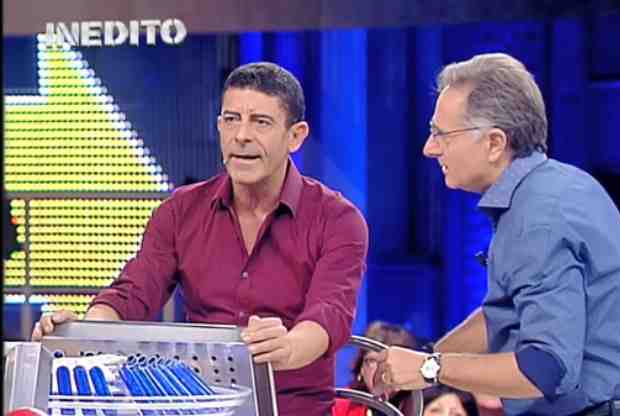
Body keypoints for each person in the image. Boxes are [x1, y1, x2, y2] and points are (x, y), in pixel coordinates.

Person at [31, 62, 370, 416]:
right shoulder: (181, 210)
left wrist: (288, 347)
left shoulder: (338, 220)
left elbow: (329, 313)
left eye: (261, 122)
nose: (241, 135)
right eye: (231, 119)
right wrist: (82, 331)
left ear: (295, 136)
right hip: (199, 406)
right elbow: (135, 290)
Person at [372, 52, 620, 415]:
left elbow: (545, 368)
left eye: (441, 134)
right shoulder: (557, 186)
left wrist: (429, 369)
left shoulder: (538, 219)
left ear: (494, 143)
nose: (429, 148)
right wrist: (427, 357)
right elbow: (505, 314)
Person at [333, 320, 420, 416]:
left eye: (391, 363)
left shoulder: (425, 407)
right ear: (361, 368)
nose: (382, 370)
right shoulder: (337, 407)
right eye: (373, 361)